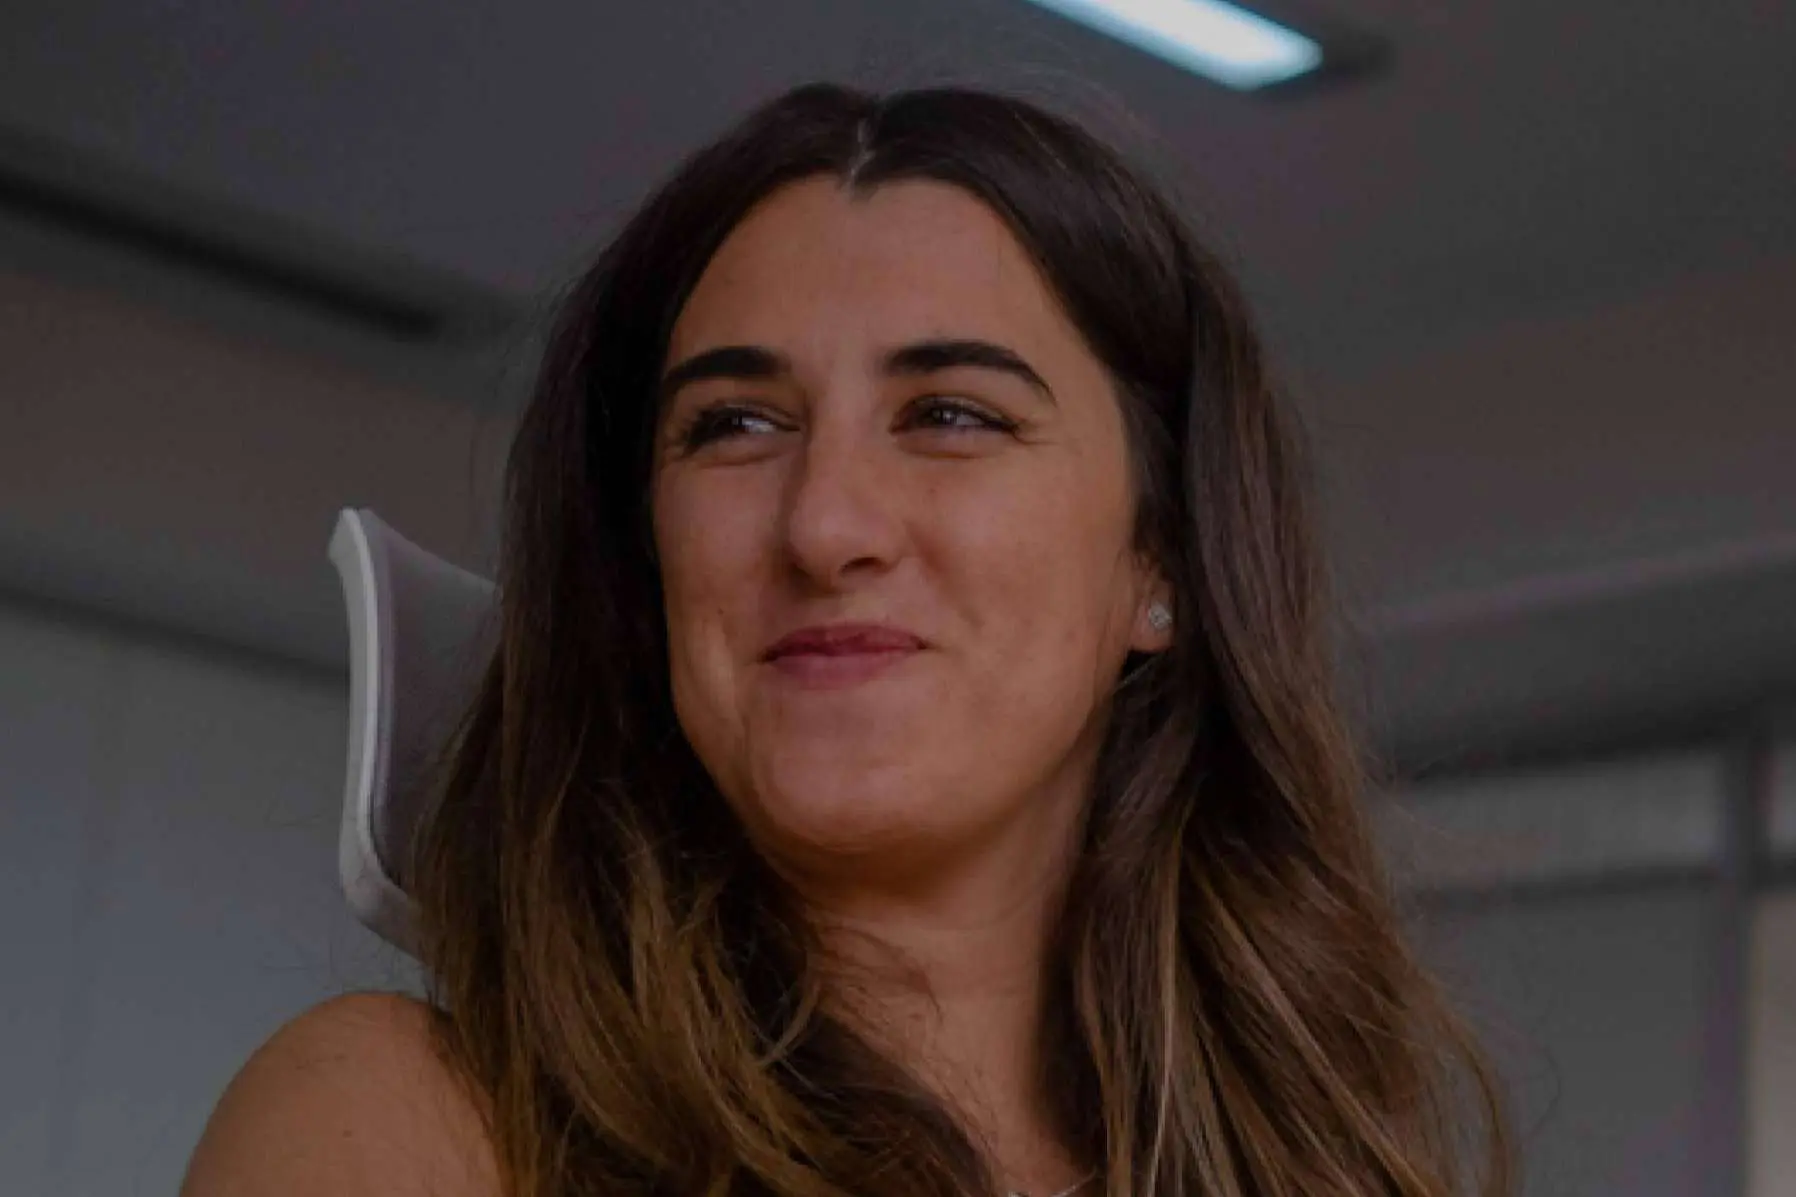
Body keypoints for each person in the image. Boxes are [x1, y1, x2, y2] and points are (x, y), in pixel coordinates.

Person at [182, 82, 1510, 1197]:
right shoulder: (401, 1123)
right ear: (643, 561)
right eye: (734, 426)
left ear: (1160, 563)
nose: (824, 526)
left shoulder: (1335, 1168)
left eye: (951, 415)